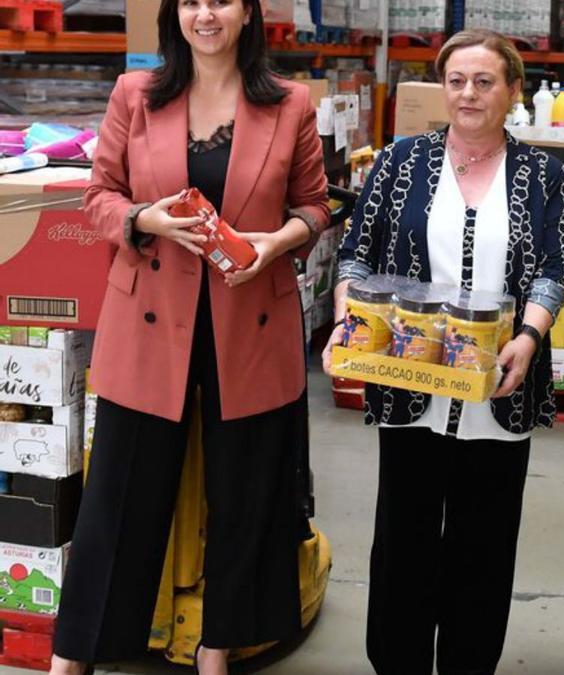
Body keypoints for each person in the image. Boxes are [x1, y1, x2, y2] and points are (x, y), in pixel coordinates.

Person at [48, 0, 329, 672]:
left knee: (245, 496)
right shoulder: (135, 95)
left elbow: (315, 205)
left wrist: (277, 242)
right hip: (149, 322)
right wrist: (146, 218)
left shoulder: (290, 104)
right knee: (118, 497)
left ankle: (217, 645)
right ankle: (75, 653)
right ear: (176, 14)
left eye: (222, 1)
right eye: (193, 2)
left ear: (247, 13)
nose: (207, 15)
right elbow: (99, 195)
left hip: (250, 319)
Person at [322, 29, 564, 675]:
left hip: (498, 386)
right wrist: (350, 315)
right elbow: (355, 250)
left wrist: (529, 336)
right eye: (457, 80)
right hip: (408, 381)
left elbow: (553, 264)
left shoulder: (540, 172)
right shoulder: (402, 160)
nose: (468, 93)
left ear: (512, 91)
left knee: (483, 547)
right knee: (403, 541)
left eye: (484, 81)